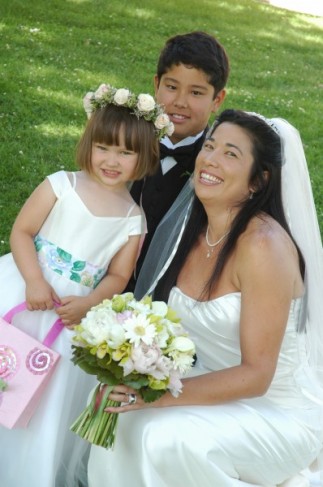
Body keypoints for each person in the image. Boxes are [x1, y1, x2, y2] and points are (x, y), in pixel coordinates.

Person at [87, 110, 323, 486]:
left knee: (165, 438)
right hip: (210, 385)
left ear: (257, 181)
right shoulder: (195, 229)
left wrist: (156, 397)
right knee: (115, 409)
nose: (210, 159)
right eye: (210, 146)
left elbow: (257, 376)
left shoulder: (264, 247)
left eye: (231, 154)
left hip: (274, 411)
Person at [0, 83, 173, 487]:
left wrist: (91, 302)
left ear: (143, 157)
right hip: (26, 289)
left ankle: (25, 464)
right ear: (88, 144)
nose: (112, 160)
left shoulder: (134, 219)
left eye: (126, 152)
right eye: (104, 147)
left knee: (44, 392)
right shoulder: (61, 185)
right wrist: (34, 280)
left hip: (71, 311)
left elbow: (118, 274)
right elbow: (22, 233)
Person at [128, 31, 229, 289]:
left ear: (217, 100)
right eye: (171, 87)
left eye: (196, 93)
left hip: (172, 290)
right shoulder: (126, 143)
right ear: (156, 84)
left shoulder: (216, 168)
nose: (180, 102)